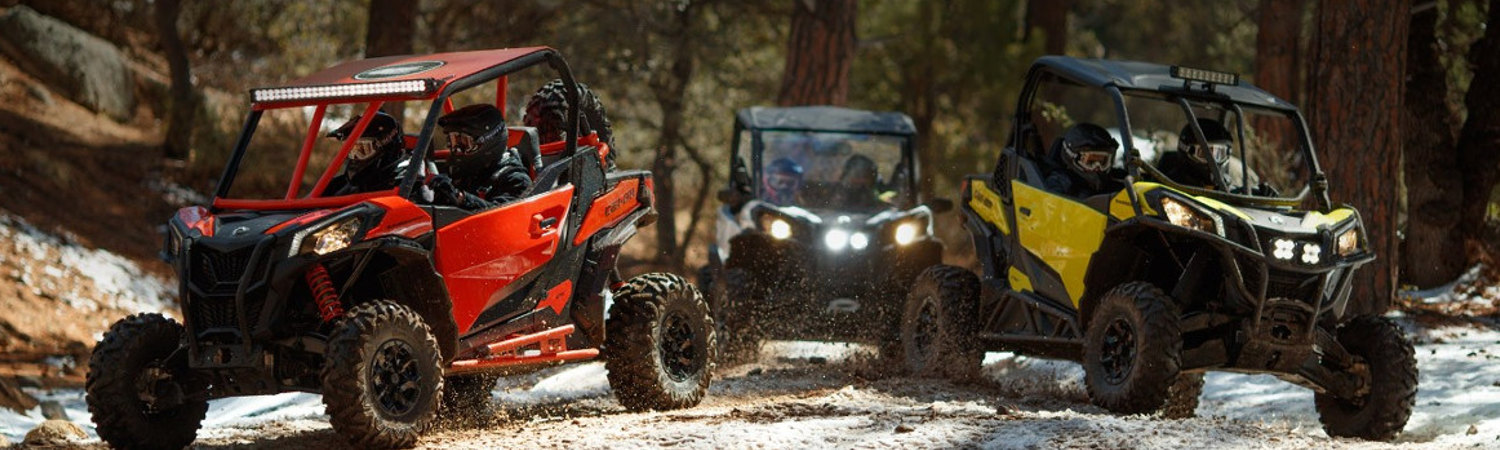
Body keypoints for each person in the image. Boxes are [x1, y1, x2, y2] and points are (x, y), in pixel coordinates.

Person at [429, 104, 534, 210]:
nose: (457, 150)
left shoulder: (516, 180)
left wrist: (461, 198)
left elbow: (501, 216)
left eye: (464, 143)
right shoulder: (465, 172)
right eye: (453, 141)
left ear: (489, 142)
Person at [325, 112, 407, 195]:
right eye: (350, 150)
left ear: (387, 150)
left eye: (362, 149)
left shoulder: (406, 187)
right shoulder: (336, 187)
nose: (354, 158)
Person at [1043, 123, 1124, 198]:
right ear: (1072, 157)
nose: (1097, 167)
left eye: (1102, 162)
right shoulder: (1059, 184)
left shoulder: (1114, 181)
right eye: (1091, 161)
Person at [1157, 118, 1233, 189]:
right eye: (1205, 153)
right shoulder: (1168, 186)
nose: (1213, 161)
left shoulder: (1229, 191)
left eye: (1219, 154)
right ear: (1187, 151)